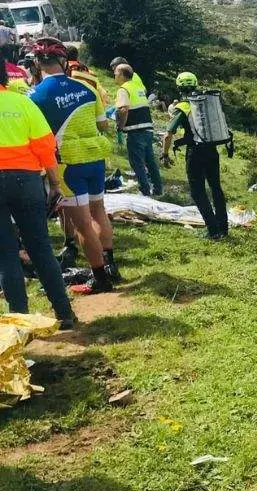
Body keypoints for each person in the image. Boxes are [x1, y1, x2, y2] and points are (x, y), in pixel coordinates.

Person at [27, 38, 117, 295]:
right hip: (95, 159)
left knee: (82, 225)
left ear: (36, 63)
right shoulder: (87, 89)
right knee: (99, 211)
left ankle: (100, 278)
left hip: (67, 165)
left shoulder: (35, 96)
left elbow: (35, 135)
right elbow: (102, 125)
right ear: (64, 62)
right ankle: (111, 265)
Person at [0, 55, 76, 328]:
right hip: (27, 181)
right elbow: (45, 148)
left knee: (5, 254)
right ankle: (64, 314)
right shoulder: (22, 103)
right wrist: (55, 183)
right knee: (41, 247)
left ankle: (19, 322)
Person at [161, 72, 229, 240]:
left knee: (197, 192)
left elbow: (168, 133)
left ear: (179, 87)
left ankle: (213, 231)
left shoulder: (184, 106)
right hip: (212, 150)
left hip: (195, 153)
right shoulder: (207, 102)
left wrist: (165, 154)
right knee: (216, 188)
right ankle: (223, 227)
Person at [113, 61, 162, 197]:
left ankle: (144, 190)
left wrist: (120, 127)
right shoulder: (137, 87)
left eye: (116, 74)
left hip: (135, 130)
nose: (114, 76)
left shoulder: (124, 89)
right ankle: (158, 189)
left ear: (122, 75)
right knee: (150, 161)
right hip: (147, 129)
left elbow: (123, 109)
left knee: (137, 163)